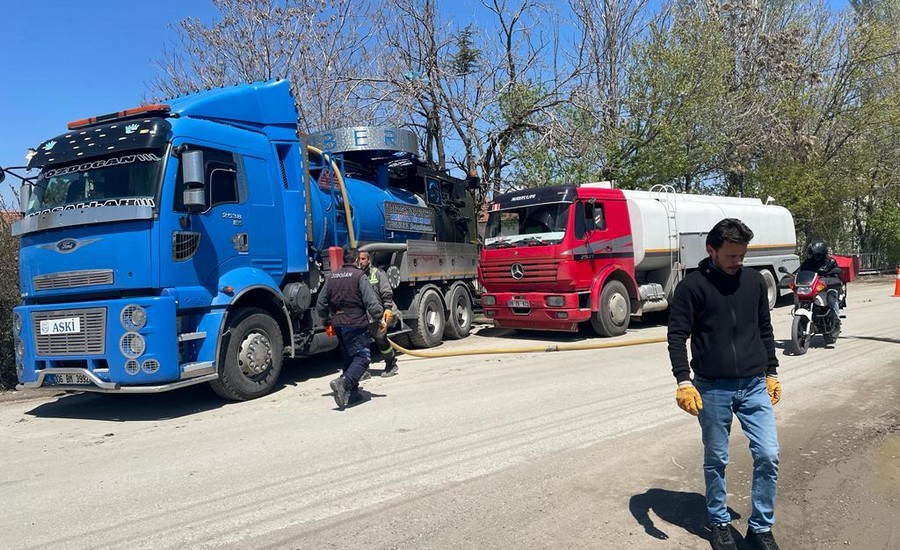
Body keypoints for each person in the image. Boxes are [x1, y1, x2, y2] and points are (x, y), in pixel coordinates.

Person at [666, 218, 783, 550]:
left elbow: (764, 327)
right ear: (711, 251)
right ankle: (719, 522)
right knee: (716, 457)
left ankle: (760, 527)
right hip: (712, 386)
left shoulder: (754, 282)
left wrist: (771, 371)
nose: (738, 263)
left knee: (768, 453)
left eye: (742, 255)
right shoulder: (692, 287)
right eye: (731, 256)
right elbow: (676, 335)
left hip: (753, 384)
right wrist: (683, 381)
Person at [315, 247, 384, 410]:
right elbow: (370, 301)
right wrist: (379, 315)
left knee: (348, 358)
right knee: (362, 358)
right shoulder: (359, 276)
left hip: (338, 323)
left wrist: (326, 319)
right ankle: (343, 382)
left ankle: (351, 394)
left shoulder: (332, 277)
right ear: (355, 261)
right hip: (356, 323)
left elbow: (320, 303)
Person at [358, 250, 399, 377]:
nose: (360, 261)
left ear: (369, 260)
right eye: (359, 259)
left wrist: (387, 309)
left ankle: (391, 364)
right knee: (362, 342)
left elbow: (386, 292)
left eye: (363, 259)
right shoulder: (357, 275)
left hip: (378, 313)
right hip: (363, 315)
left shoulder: (378, 273)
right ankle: (363, 369)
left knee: (381, 340)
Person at [798, 239, 843, 318]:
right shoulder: (808, 262)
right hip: (814, 287)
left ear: (820, 254)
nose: (812, 256)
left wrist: (832, 276)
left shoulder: (831, 261)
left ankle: (836, 318)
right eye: (811, 254)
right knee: (801, 296)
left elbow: (837, 273)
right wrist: (791, 276)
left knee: (830, 297)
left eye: (814, 254)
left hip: (828, 286)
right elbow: (799, 271)